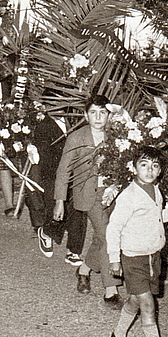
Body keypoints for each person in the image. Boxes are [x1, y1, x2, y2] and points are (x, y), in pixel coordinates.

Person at [106, 145, 168, 337]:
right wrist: (114, 258)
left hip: (153, 256)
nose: (149, 170)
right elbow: (114, 227)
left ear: (160, 171)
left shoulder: (156, 191)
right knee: (148, 303)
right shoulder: (129, 196)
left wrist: (167, 215)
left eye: (155, 166)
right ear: (134, 167)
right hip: (133, 258)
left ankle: (118, 335)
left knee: (135, 299)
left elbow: (154, 216)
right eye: (144, 165)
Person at [54, 94, 121, 305]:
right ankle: (111, 289)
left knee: (101, 237)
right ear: (86, 115)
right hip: (90, 194)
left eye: (103, 113)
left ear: (109, 115)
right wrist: (59, 200)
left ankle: (84, 270)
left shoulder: (117, 136)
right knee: (107, 235)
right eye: (93, 113)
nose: (98, 117)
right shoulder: (77, 138)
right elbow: (63, 171)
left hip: (114, 192)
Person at [22, 112, 67, 258]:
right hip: (52, 171)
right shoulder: (43, 125)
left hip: (69, 167)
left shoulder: (74, 119)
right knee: (52, 202)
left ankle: (73, 248)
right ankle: (46, 231)